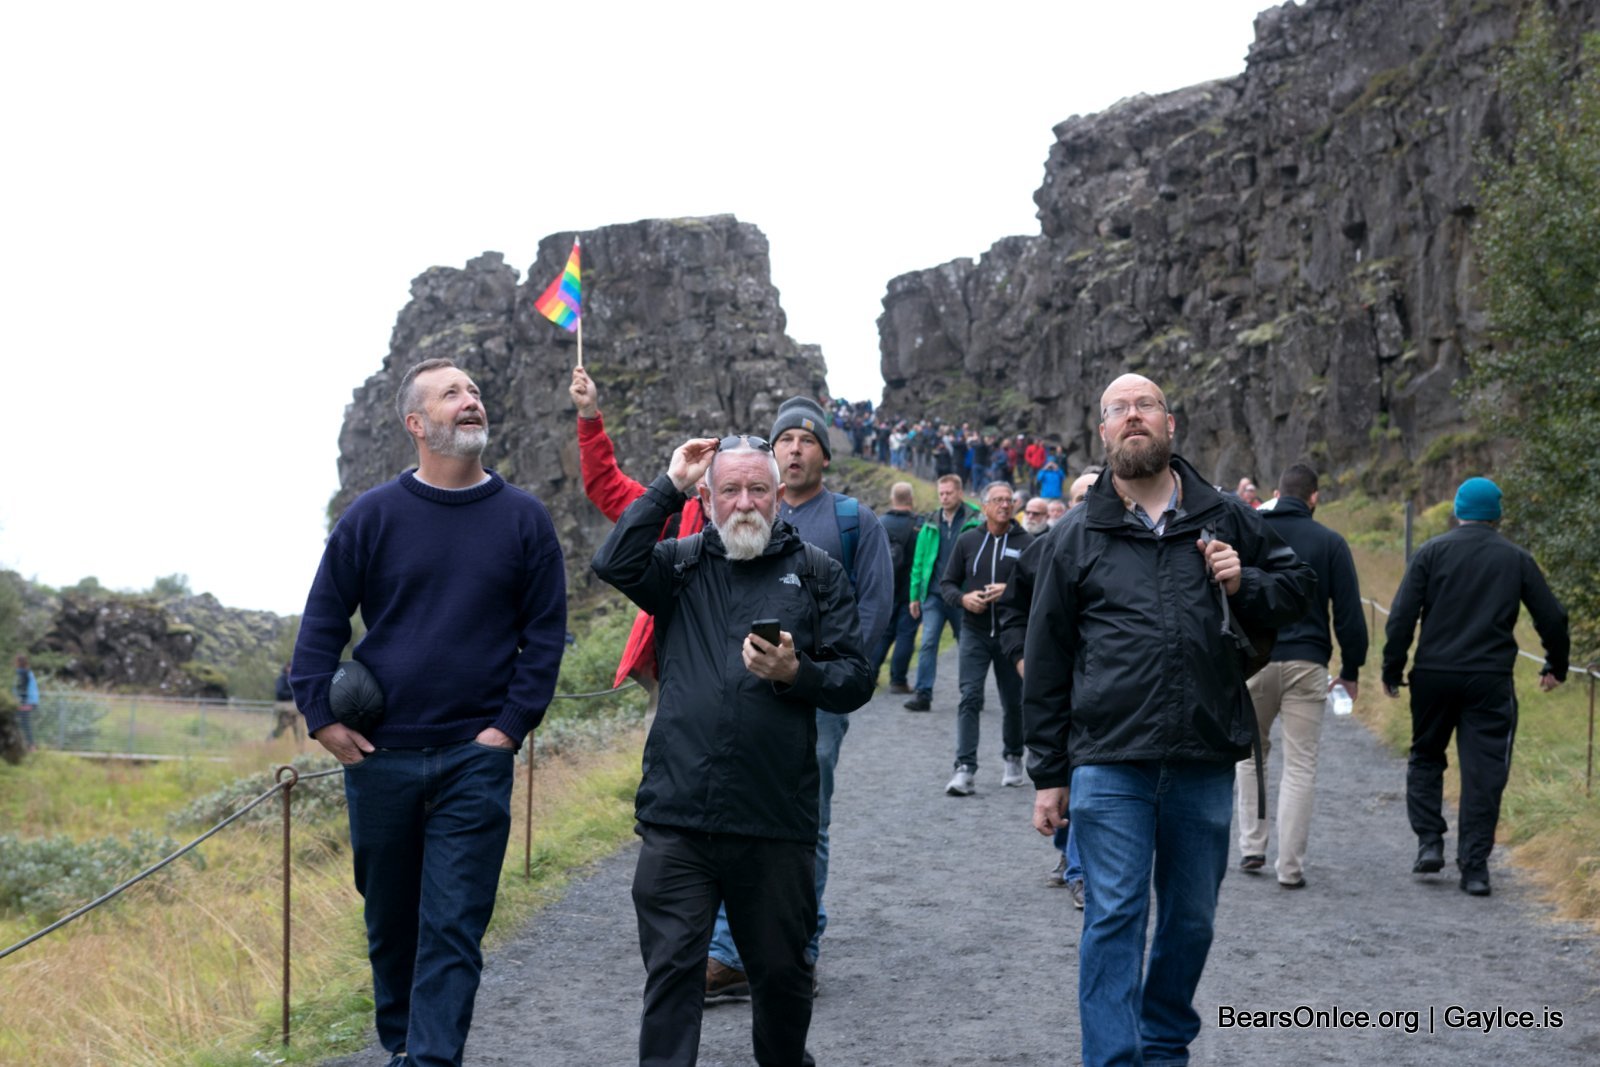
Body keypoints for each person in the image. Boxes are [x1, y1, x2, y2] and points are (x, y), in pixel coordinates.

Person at [1023, 373, 1314, 1066]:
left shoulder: (1224, 515)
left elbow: (1298, 588)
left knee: (1191, 920)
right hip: (1108, 760)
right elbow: (1048, 657)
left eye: (1145, 405)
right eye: (1118, 409)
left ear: (1170, 423)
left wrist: (1244, 580)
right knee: (1115, 916)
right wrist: (1048, 773)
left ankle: (1161, 1044)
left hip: (1202, 756)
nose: (1133, 416)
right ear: (1102, 431)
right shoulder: (1074, 535)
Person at [291, 357, 567, 1067]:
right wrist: (321, 715)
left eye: (474, 390)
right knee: (391, 926)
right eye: (451, 394)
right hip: (379, 758)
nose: (470, 400)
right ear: (416, 423)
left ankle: (429, 1060)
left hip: (475, 759)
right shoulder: (372, 515)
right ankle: (404, 1047)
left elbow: (544, 636)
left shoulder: (524, 518)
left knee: (452, 926)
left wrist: (507, 729)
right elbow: (322, 620)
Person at [592, 434, 872, 1067]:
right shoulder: (678, 565)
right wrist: (667, 485)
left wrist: (797, 673)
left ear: (778, 494)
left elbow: (856, 679)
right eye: (730, 490)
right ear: (707, 496)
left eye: (757, 489)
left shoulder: (817, 571)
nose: (744, 502)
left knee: (782, 979)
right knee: (672, 974)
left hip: (774, 819)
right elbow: (614, 562)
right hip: (678, 815)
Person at [703, 396, 892, 1000]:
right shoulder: (747, 512)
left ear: (824, 456)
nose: (794, 448)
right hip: (742, 699)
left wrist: (832, 678)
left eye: (807, 441)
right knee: (735, 814)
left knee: (807, 822)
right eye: (784, 439)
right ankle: (731, 951)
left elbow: (873, 610)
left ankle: (800, 948)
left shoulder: (853, 521)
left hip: (817, 700)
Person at [1381, 476, 1569, 897]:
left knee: (1426, 755)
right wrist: (1556, 665)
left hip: (1433, 674)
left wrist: (1393, 669)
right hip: (1489, 679)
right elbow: (1552, 617)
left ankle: (1430, 842)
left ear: (1458, 511)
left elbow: (1402, 616)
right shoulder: (1516, 558)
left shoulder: (1431, 552)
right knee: (1484, 772)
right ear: (1496, 515)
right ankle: (1475, 868)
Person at [1233, 463, 1368, 889]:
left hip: (1255, 660)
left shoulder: (1252, 534)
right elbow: (1348, 615)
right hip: (1307, 662)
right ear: (1314, 498)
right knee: (1300, 765)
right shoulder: (1330, 542)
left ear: (1275, 494)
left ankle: (1252, 845)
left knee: (1250, 755)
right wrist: (1350, 670)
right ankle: (1289, 867)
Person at [569, 366, 707, 704]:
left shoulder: (772, 529)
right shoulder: (671, 515)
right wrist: (589, 414)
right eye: (712, 470)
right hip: (673, 679)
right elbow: (605, 484)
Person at [941, 480, 1034, 794]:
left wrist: (1010, 590)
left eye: (1009, 500)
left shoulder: (1027, 542)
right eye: (998, 500)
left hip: (1012, 633)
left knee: (1014, 701)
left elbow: (1041, 587)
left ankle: (1013, 755)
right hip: (975, 631)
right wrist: (963, 599)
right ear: (984, 506)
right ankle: (964, 768)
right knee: (969, 696)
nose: (1005, 505)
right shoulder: (968, 540)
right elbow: (947, 583)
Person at [904, 474, 981, 711]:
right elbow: (919, 561)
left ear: (959, 493)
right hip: (934, 595)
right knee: (928, 643)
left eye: (949, 493)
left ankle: (972, 694)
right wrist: (914, 595)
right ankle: (923, 694)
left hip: (963, 595)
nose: (944, 497)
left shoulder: (976, 521)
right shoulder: (930, 522)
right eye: (941, 493)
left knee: (968, 645)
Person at [873, 481, 922, 694]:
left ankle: (870, 674)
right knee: (906, 635)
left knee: (883, 634)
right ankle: (898, 681)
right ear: (911, 499)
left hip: (885, 589)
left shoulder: (879, 522)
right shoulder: (918, 525)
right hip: (910, 590)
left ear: (892, 498)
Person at [13, 655, 38, 751]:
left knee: (20, 724)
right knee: (25, 725)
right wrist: (33, 703)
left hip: (22, 703)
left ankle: (29, 746)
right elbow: (33, 689)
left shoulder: (19, 673)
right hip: (28, 703)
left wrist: (17, 702)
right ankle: (31, 745)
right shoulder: (29, 673)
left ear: (18, 662)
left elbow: (17, 689)